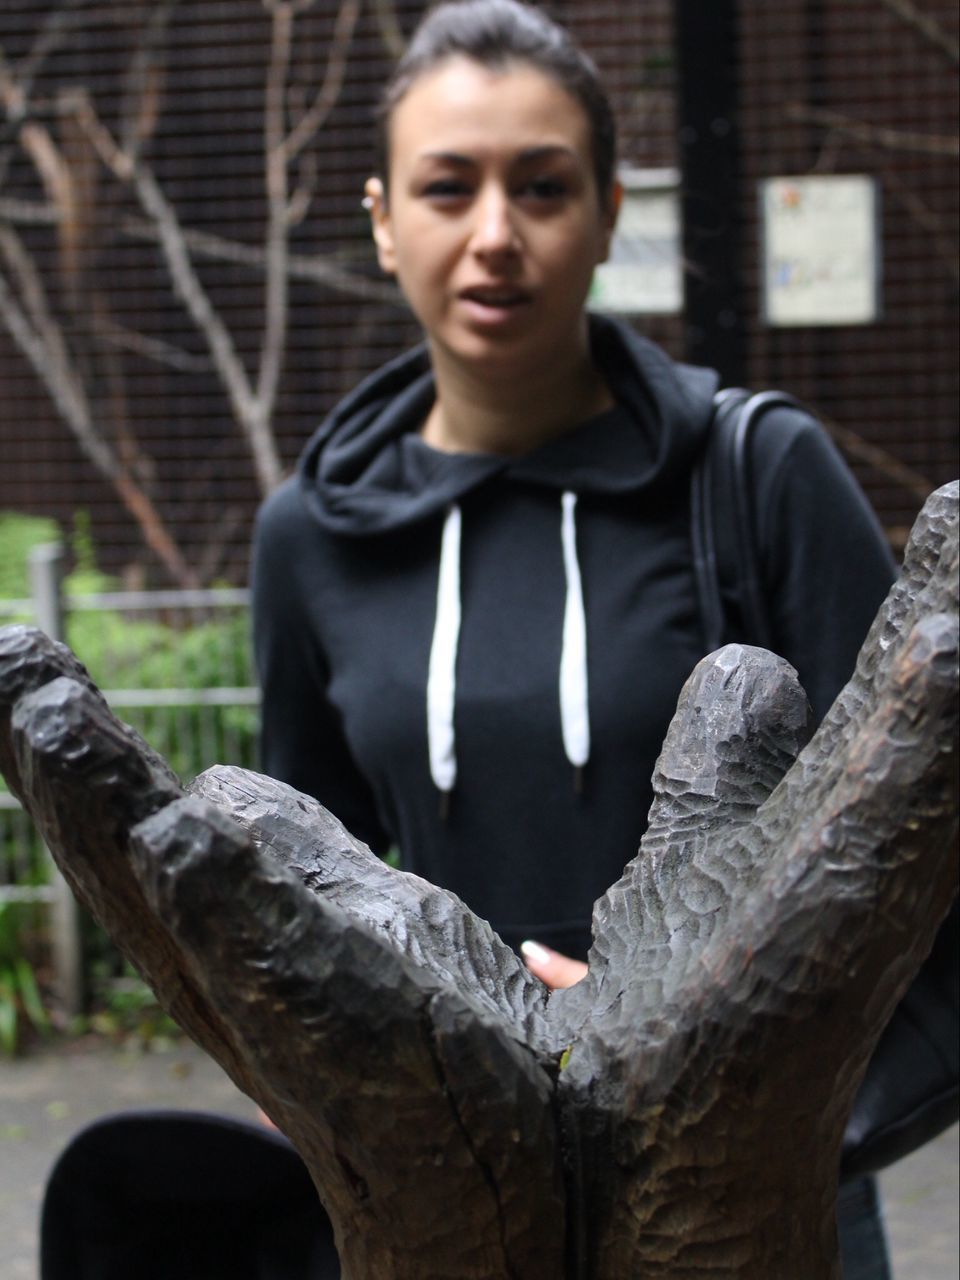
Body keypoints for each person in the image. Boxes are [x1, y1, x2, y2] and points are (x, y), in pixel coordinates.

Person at [251, 2, 937, 1273]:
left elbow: (928, 867)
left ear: (612, 210)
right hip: (459, 1202)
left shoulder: (755, 474)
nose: (495, 234)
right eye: (448, 187)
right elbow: (291, 902)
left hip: (746, 1198)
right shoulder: (310, 537)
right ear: (384, 219)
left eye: (545, 185)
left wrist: (758, 1103)